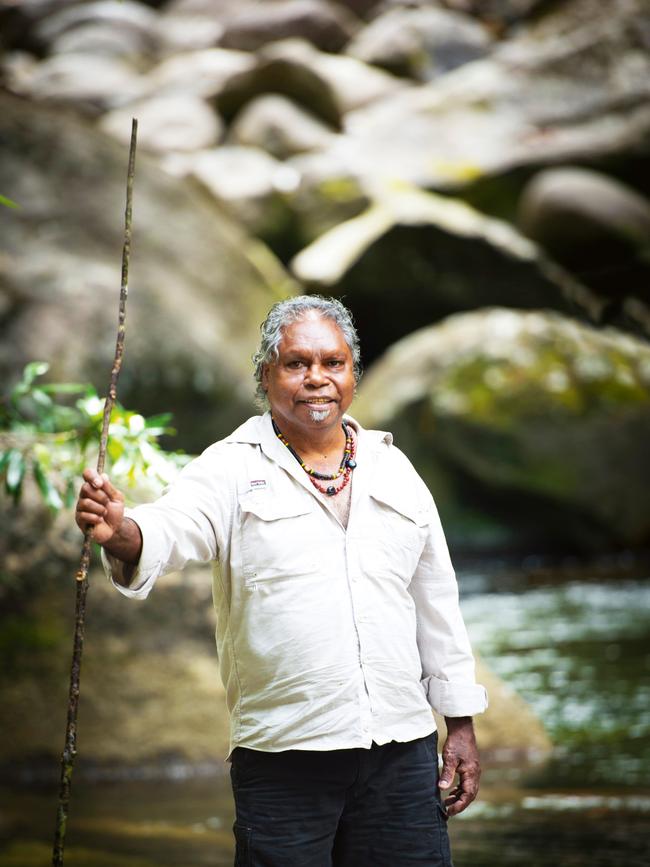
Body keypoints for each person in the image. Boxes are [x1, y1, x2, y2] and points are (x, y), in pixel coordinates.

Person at [76, 295, 487, 867]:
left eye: (333, 364)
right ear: (266, 374)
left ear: (353, 373)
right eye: (297, 364)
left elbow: (436, 603)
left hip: (401, 751)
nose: (317, 379)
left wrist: (460, 725)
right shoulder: (230, 467)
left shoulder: (394, 468)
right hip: (285, 758)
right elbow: (169, 528)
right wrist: (121, 530)